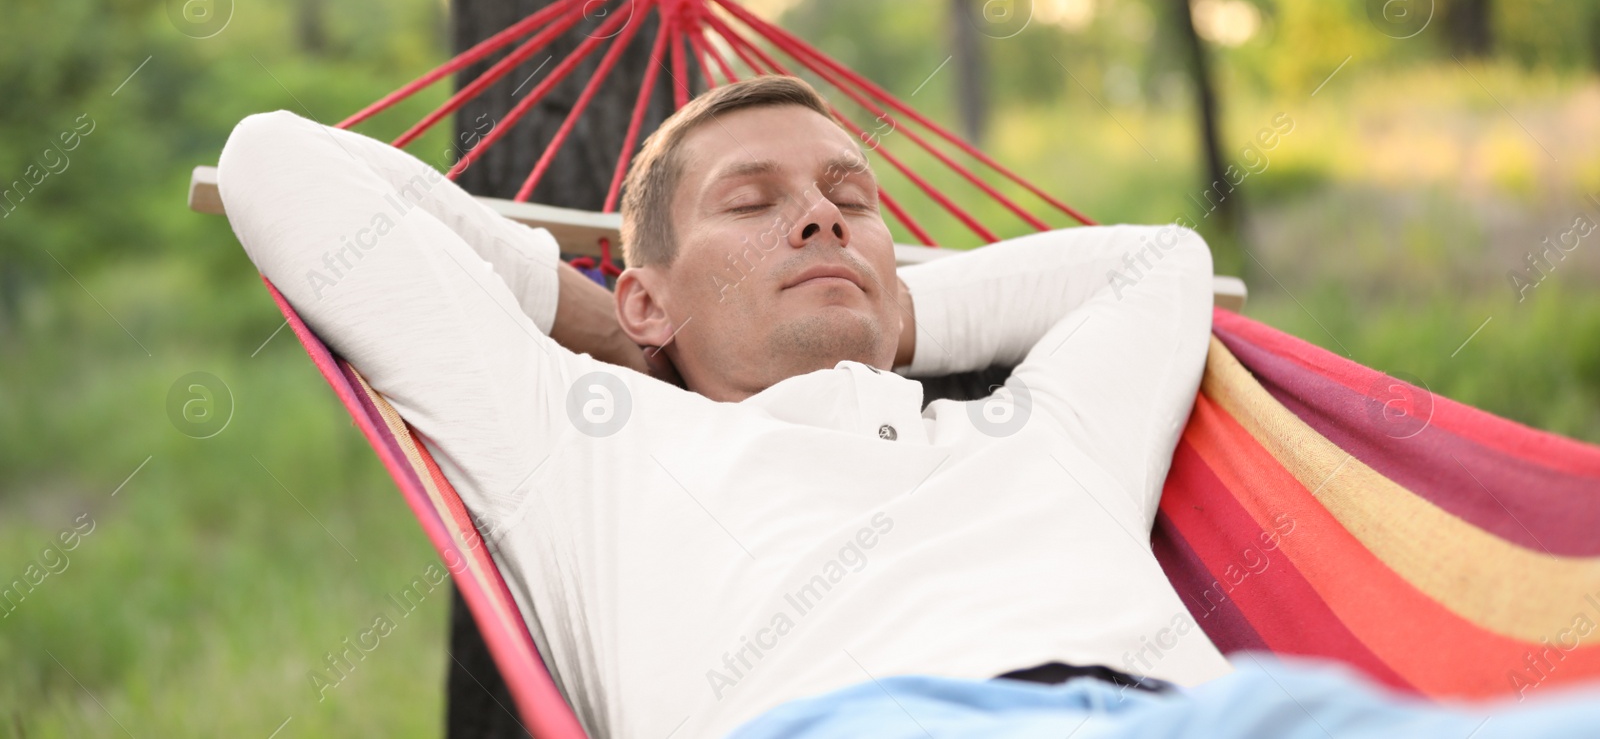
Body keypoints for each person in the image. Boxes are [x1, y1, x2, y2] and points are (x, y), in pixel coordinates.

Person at [216, 75, 1597, 739]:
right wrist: (603, 325)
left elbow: (1157, 265)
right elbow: (280, 167)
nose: (817, 212)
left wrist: (887, 317)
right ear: (646, 298)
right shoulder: (584, 444)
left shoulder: (1038, 431)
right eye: (751, 205)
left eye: (849, 201)